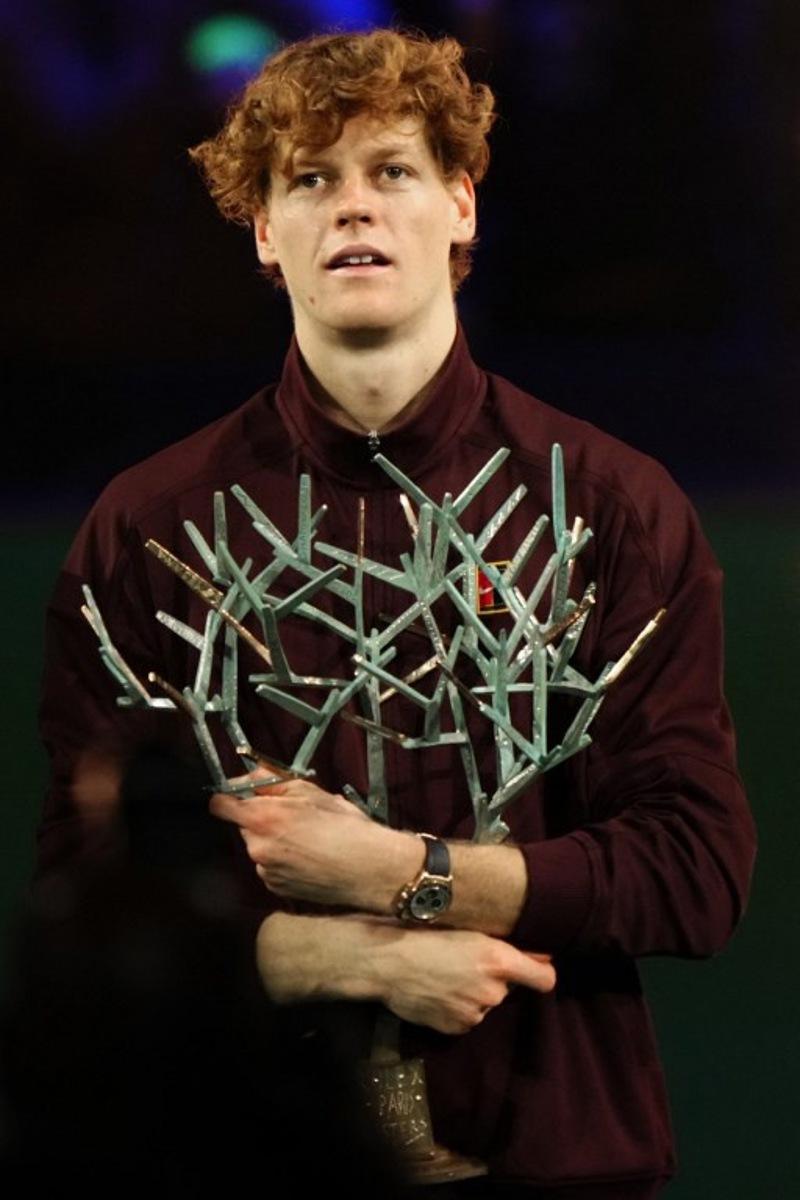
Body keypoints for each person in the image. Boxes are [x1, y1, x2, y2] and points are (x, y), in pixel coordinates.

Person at [38, 29, 756, 1197]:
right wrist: (340, 958)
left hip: (552, 1153)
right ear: (264, 231)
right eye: (309, 181)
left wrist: (394, 869)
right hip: (250, 1155)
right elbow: (88, 907)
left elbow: (693, 872)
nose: (351, 207)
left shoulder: (613, 508)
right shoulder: (147, 529)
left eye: (392, 171)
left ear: (461, 206)